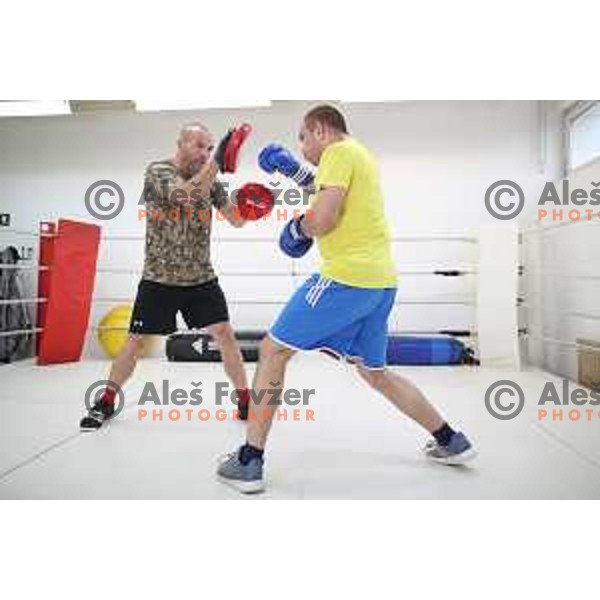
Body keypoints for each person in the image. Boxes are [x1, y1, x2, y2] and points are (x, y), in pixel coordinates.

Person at [217, 105, 476, 493]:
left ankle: (249, 460)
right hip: (381, 283)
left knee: (273, 350)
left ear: (320, 130)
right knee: (376, 372)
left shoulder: (337, 153)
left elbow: (323, 216)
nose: (302, 148)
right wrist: (292, 169)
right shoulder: (357, 154)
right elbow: (321, 187)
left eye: (302, 139)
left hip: (346, 278)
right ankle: (450, 439)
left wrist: (298, 228)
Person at [81, 123, 254, 429]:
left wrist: (255, 206)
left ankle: (244, 401)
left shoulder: (210, 180)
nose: (205, 153)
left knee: (225, 334)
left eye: (210, 148)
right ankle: (105, 402)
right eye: (199, 145)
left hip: (200, 278)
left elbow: (236, 220)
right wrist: (215, 164)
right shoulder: (158, 171)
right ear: (181, 143)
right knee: (134, 341)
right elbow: (185, 196)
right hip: (159, 279)